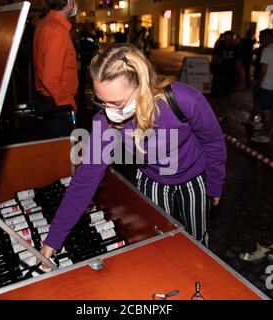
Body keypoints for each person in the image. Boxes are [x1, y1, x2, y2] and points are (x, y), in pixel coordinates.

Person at [40, 43, 227, 261]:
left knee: (197, 238)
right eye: (102, 101)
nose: (109, 111)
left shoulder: (184, 100)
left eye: (117, 103)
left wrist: (215, 184)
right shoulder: (105, 121)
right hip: (152, 179)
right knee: (157, 241)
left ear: (142, 85)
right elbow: (85, 178)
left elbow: (213, 141)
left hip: (192, 176)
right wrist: (53, 238)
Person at [33, 0, 79, 137]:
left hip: (49, 101)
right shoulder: (58, 29)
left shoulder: (44, 23)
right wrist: (68, 103)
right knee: (64, 153)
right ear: (69, 2)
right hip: (58, 104)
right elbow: (50, 79)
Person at [250, 28, 273, 143]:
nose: (260, 40)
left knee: (266, 111)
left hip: (267, 86)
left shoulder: (267, 50)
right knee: (268, 109)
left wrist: (258, 84)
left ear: (267, 37)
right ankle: (265, 129)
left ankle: (266, 135)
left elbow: (263, 70)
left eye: (261, 37)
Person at [211, 31, 240, 122]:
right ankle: (213, 113)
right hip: (219, 75)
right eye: (227, 38)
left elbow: (238, 63)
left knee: (227, 96)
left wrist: (238, 75)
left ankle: (223, 114)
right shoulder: (219, 47)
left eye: (231, 38)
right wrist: (222, 59)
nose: (229, 40)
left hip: (230, 75)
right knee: (216, 96)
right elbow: (214, 62)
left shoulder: (236, 48)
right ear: (224, 38)